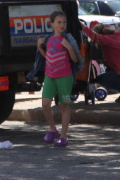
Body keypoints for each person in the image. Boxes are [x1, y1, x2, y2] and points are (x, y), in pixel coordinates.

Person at [37, 10, 79, 147]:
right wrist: (40, 48)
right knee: (45, 104)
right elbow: (48, 57)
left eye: (64, 22)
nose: (62, 25)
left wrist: (69, 48)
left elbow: (75, 60)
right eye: (59, 22)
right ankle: (52, 129)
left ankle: (64, 136)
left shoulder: (68, 39)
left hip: (65, 77)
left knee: (64, 105)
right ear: (51, 24)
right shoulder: (48, 39)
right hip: (50, 76)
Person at [83, 21, 120, 103]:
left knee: (101, 79)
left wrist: (82, 26)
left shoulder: (107, 39)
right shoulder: (114, 38)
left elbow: (94, 36)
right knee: (108, 72)